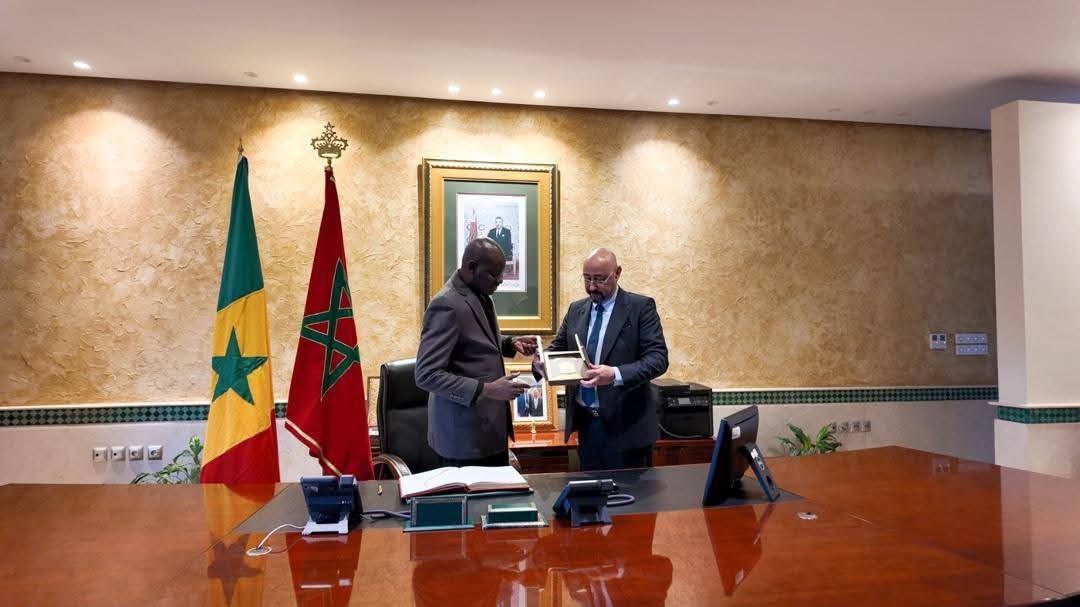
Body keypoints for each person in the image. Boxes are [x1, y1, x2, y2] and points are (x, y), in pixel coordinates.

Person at [534, 248, 668, 470]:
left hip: (627, 430)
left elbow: (658, 359)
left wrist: (615, 374)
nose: (592, 287)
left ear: (617, 273)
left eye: (599, 279)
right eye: (587, 278)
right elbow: (557, 349)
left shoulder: (640, 307)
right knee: (590, 490)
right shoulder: (576, 309)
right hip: (587, 426)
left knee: (629, 493)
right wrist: (541, 362)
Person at [415, 238, 537, 467]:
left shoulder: (479, 294)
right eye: (493, 274)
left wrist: (510, 343)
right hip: (464, 441)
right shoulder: (446, 304)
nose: (500, 280)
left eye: (502, 273)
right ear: (471, 267)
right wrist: (487, 389)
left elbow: (473, 341)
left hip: (489, 433)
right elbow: (426, 374)